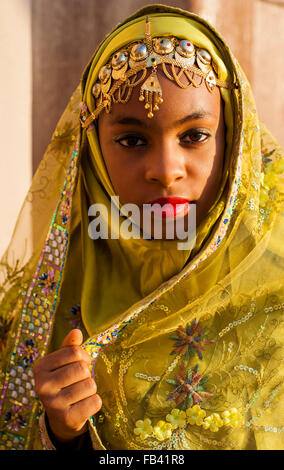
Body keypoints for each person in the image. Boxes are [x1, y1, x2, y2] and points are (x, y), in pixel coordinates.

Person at [0, 4, 283, 451]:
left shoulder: (276, 293)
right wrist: (61, 434)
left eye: (195, 136)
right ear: (93, 149)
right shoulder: (43, 304)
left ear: (233, 139)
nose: (165, 170)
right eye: (132, 140)